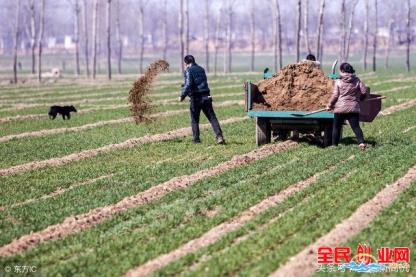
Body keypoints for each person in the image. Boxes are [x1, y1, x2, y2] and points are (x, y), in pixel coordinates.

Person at [180, 55, 225, 144]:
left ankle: (196, 140)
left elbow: (189, 84)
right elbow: (199, 81)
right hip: (206, 96)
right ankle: (219, 136)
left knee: (195, 119)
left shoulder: (188, 70)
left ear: (186, 63)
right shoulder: (201, 69)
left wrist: (182, 95)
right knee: (212, 117)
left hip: (196, 98)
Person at [326, 62, 369, 150]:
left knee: (336, 127)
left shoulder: (338, 81)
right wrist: (361, 98)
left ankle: (334, 145)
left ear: (342, 70)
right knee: (356, 127)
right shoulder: (357, 80)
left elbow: (335, 95)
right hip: (353, 107)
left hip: (340, 108)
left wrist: (329, 105)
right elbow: (364, 91)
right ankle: (361, 143)